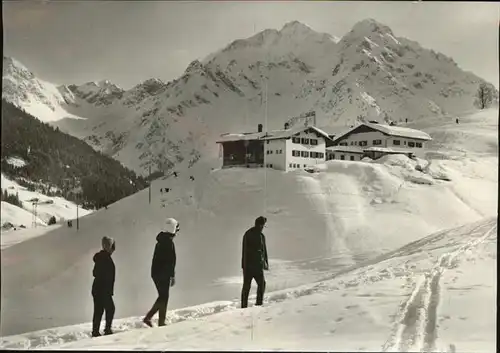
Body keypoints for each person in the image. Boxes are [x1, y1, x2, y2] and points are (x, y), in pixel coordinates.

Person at [143, 218, 179, 327]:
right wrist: (172, 276)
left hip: (156, 273)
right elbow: (171, 261)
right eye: (176, 228)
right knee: (164, 297)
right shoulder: (168, 242)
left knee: (163, 296)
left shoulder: (161, 240)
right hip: (163, 274)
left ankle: (156, 319)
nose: (177, 231)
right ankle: (153, 319)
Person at [241, 216, 269, 308]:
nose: (262, 228)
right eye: (262, 225)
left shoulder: (261, 236)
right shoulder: (248, 234)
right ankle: (244, 306)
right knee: (246, 287)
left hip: (258, 266)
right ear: (258, 224)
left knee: (262, 284)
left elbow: (264, 250)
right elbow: (244, 251)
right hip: (249, 266)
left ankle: (259, 303)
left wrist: (265, 262)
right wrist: (244, 266)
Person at [91, 236, 116, 337]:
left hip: (98, 288)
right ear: (108, 247)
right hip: (102, 289)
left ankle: (96, 331)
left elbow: (95, 272)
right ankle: (107, 330)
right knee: (110, 308)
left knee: (99, 310)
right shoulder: (104, 258)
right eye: (112, 246)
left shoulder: (102, 257)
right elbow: (97, 273)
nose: (114, 249)